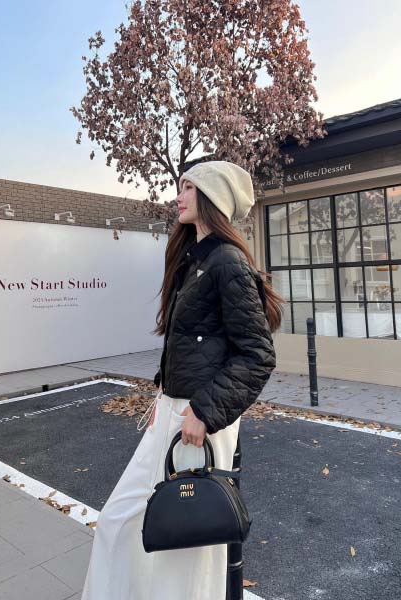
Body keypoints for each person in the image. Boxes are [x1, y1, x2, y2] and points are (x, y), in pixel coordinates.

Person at [81, 160, 283, 600]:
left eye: (188, 187)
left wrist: (204, 413)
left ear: (213, 197)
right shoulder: (194, 258)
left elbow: (258, 355)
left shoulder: (227, 262)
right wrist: (163, 391)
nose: (178, 196)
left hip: (199, 418)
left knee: (188, 544)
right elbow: (191, 343)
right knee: (119, 520)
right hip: (174, 409)